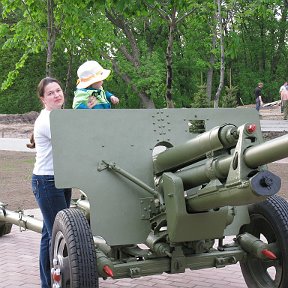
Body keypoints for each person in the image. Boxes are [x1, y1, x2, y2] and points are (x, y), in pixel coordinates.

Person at [30, 77, 72, 288]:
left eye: (58, 90)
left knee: (50, 233)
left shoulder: (59, 116)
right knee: (59, 234)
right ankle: (51, 283)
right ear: (42, 99)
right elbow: (71, 142)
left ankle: (47, 283)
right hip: (47, 182)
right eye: (50, 93)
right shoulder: (47, 120)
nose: (56, 95)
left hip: (61, 179)